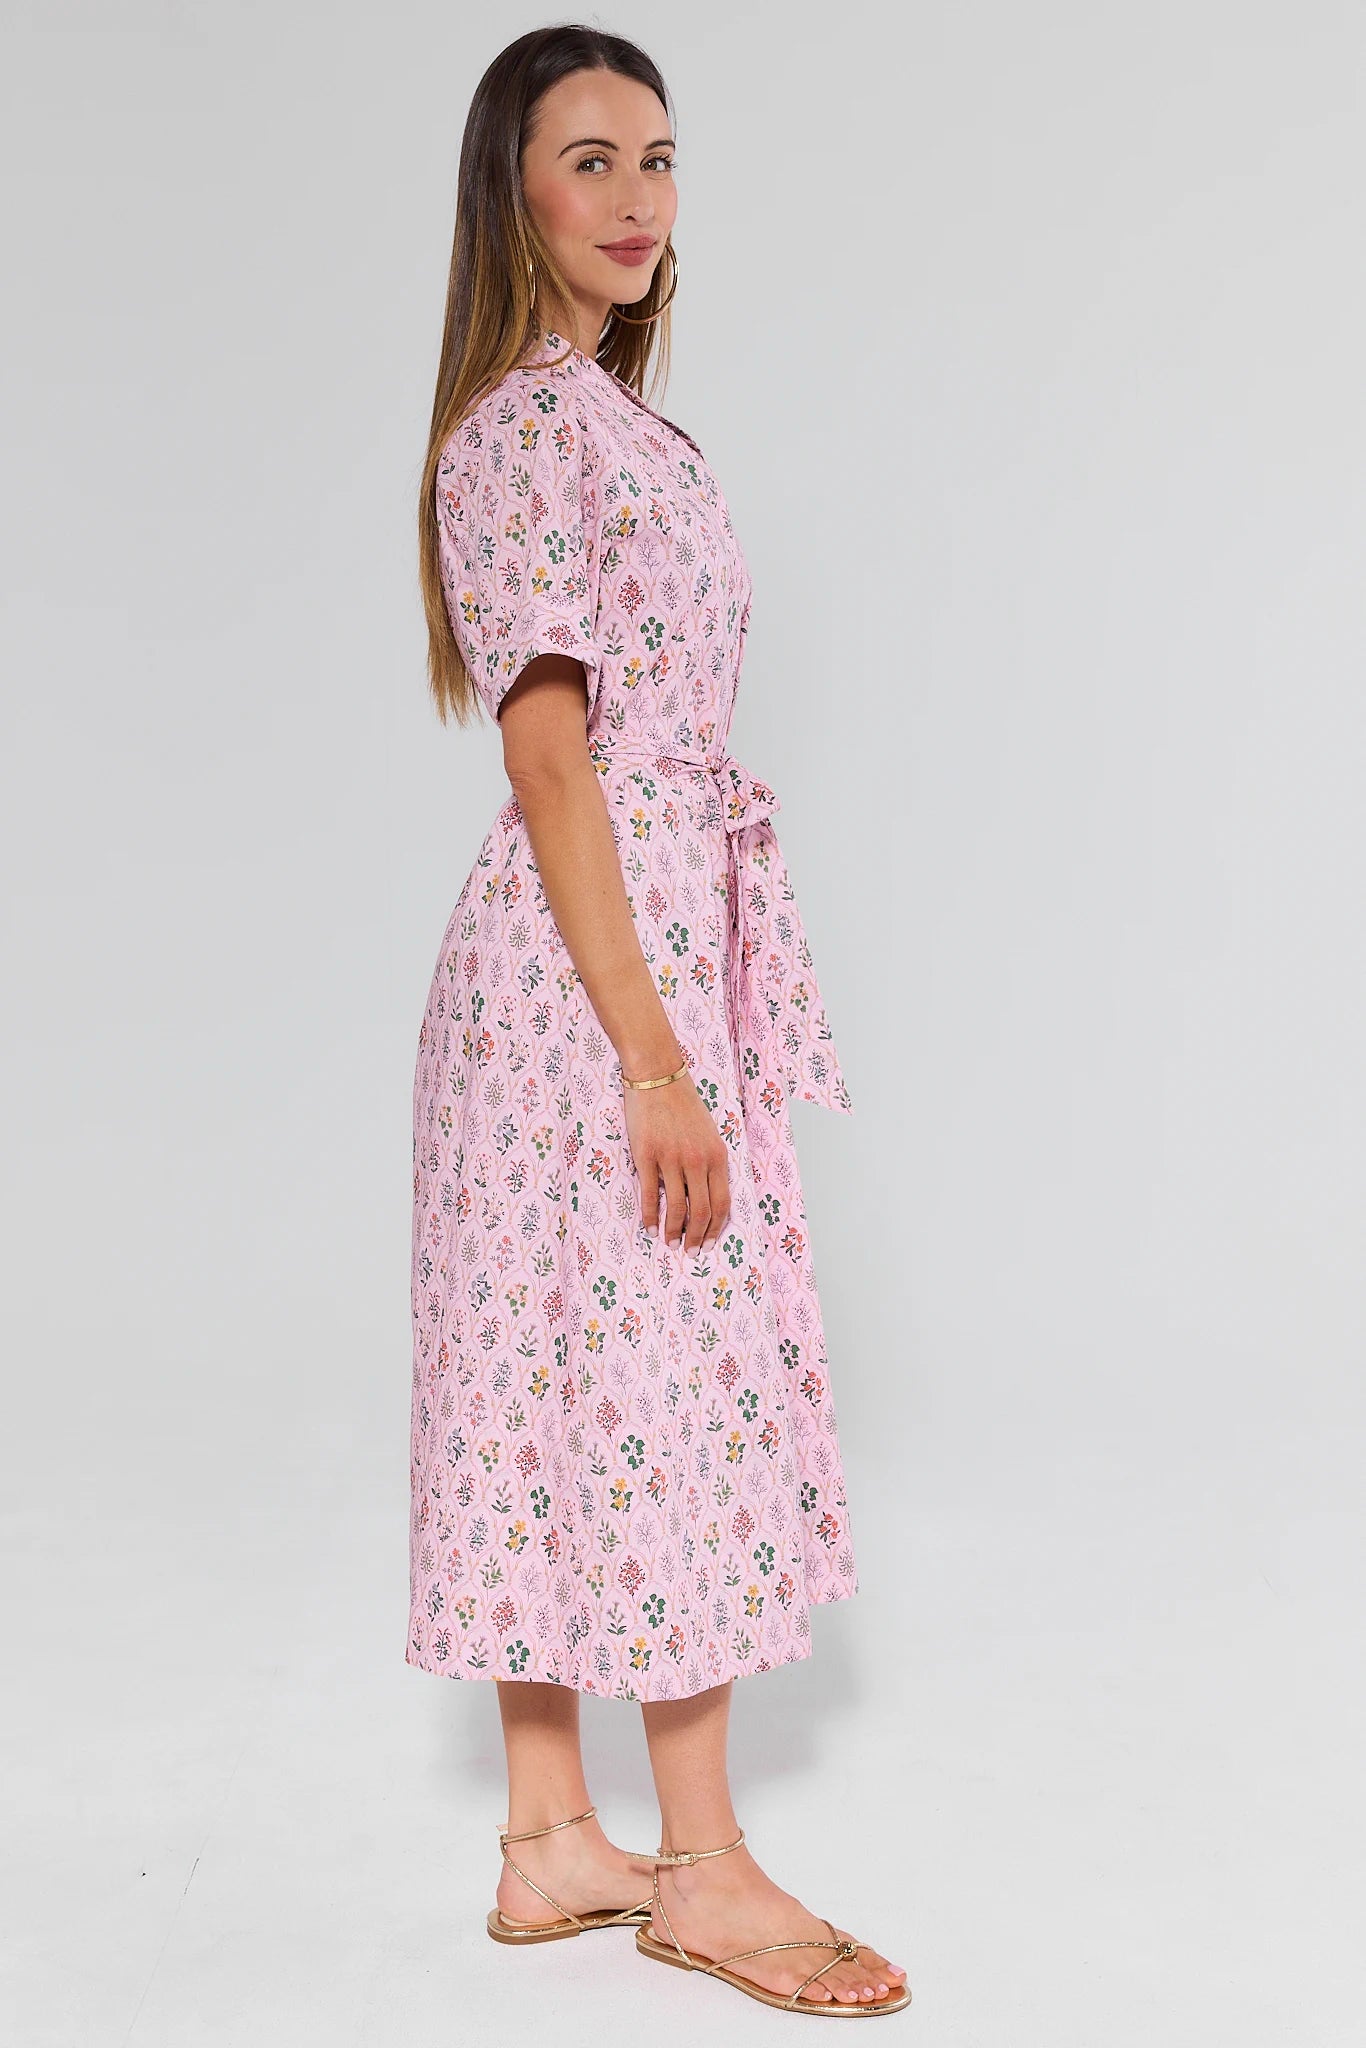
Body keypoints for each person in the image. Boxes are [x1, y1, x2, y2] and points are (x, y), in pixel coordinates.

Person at [408, 24, 909, 2017]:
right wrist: (646, 1052)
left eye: (660, 158)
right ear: (510, 193)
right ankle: (700, 1865)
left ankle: (549, 1838)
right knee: (656, 1371)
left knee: (563, 1368)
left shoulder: (606, 422)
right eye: (590, 158)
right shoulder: (527, 430)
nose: (636, 199)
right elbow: (548, 756)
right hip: (584, 969)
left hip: (631, 938)